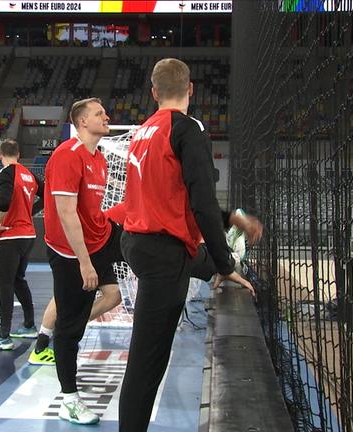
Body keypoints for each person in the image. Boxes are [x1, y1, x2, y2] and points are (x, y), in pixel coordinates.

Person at [117, 58, 255, 432]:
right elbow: (201, 202)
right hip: (161, 250)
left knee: (194, 258)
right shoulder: (188, 128)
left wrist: (228, 223)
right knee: (147, 363)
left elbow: (172, 195)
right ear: (191, 89)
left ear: (154, 92)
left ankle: (215, 266)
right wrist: (226, 264)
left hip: (138, 241)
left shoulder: (143, 131)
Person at [28, 207, 263, 365]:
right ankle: (41, 346)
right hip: (99, 243)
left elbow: (198, 234)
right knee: (67, 292)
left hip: (114, 243)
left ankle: (66, 331)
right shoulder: (157, 209)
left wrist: (222, 265)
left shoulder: (171, 211)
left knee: (113, 295)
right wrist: (224, 264)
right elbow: (194, 240)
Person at [42, 97, 121, 425]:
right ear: (82, 122)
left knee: (114, 295)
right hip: (70, 253)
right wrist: (85, 263)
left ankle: (217, 259)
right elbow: (65, 213)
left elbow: (90, 212)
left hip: (99, 238)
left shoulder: (99, 158)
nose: (107, 117)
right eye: (99, 114)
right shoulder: (67, 155)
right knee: (69, 331)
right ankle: (69, 400)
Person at [0, 139, 44, 351]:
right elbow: (46, 196)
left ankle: (4, 336)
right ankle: (29, 325)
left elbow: (4, 201)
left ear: (1, 156)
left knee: (4, 283)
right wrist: (27, 214)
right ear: (19, 153)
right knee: (18, 280)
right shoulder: (30, 174)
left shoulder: (6, 173)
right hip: (28, 235)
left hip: (12, 235)